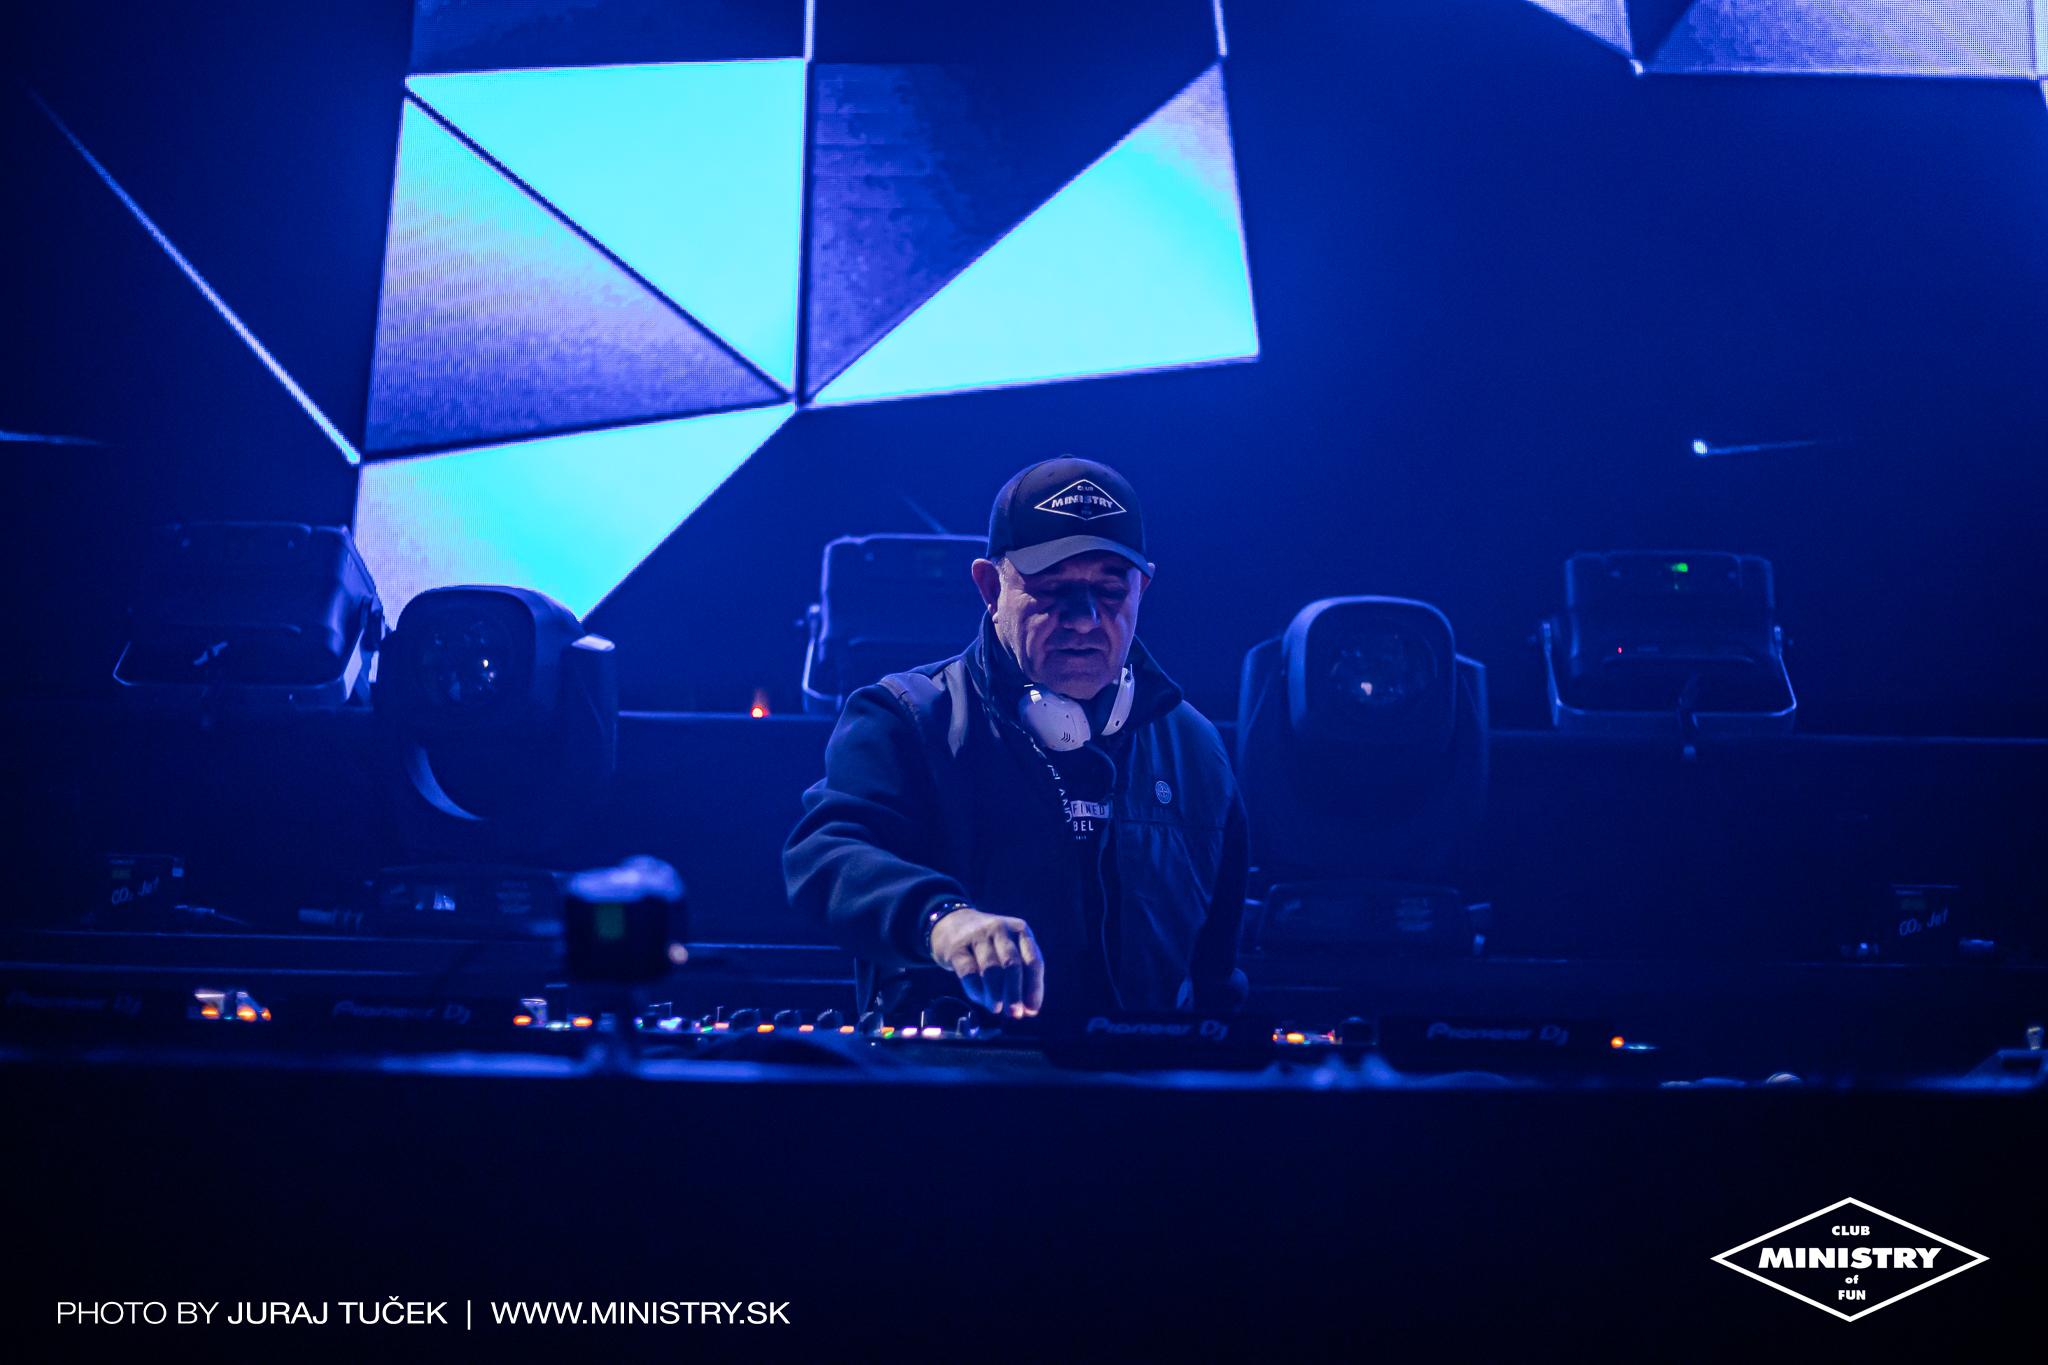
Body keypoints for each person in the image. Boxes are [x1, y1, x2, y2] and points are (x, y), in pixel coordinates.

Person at [783, 456, 1249, 1022]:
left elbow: (1216, 977)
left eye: (1110, 590)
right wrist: (942, 920)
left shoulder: (1195, 749)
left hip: (1149, 1078)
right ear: (989, 585)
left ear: (1142, 588)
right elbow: (825, 856)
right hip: (953, 1076)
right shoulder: (905, 719)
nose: (1084, 619)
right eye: (1054, 589)